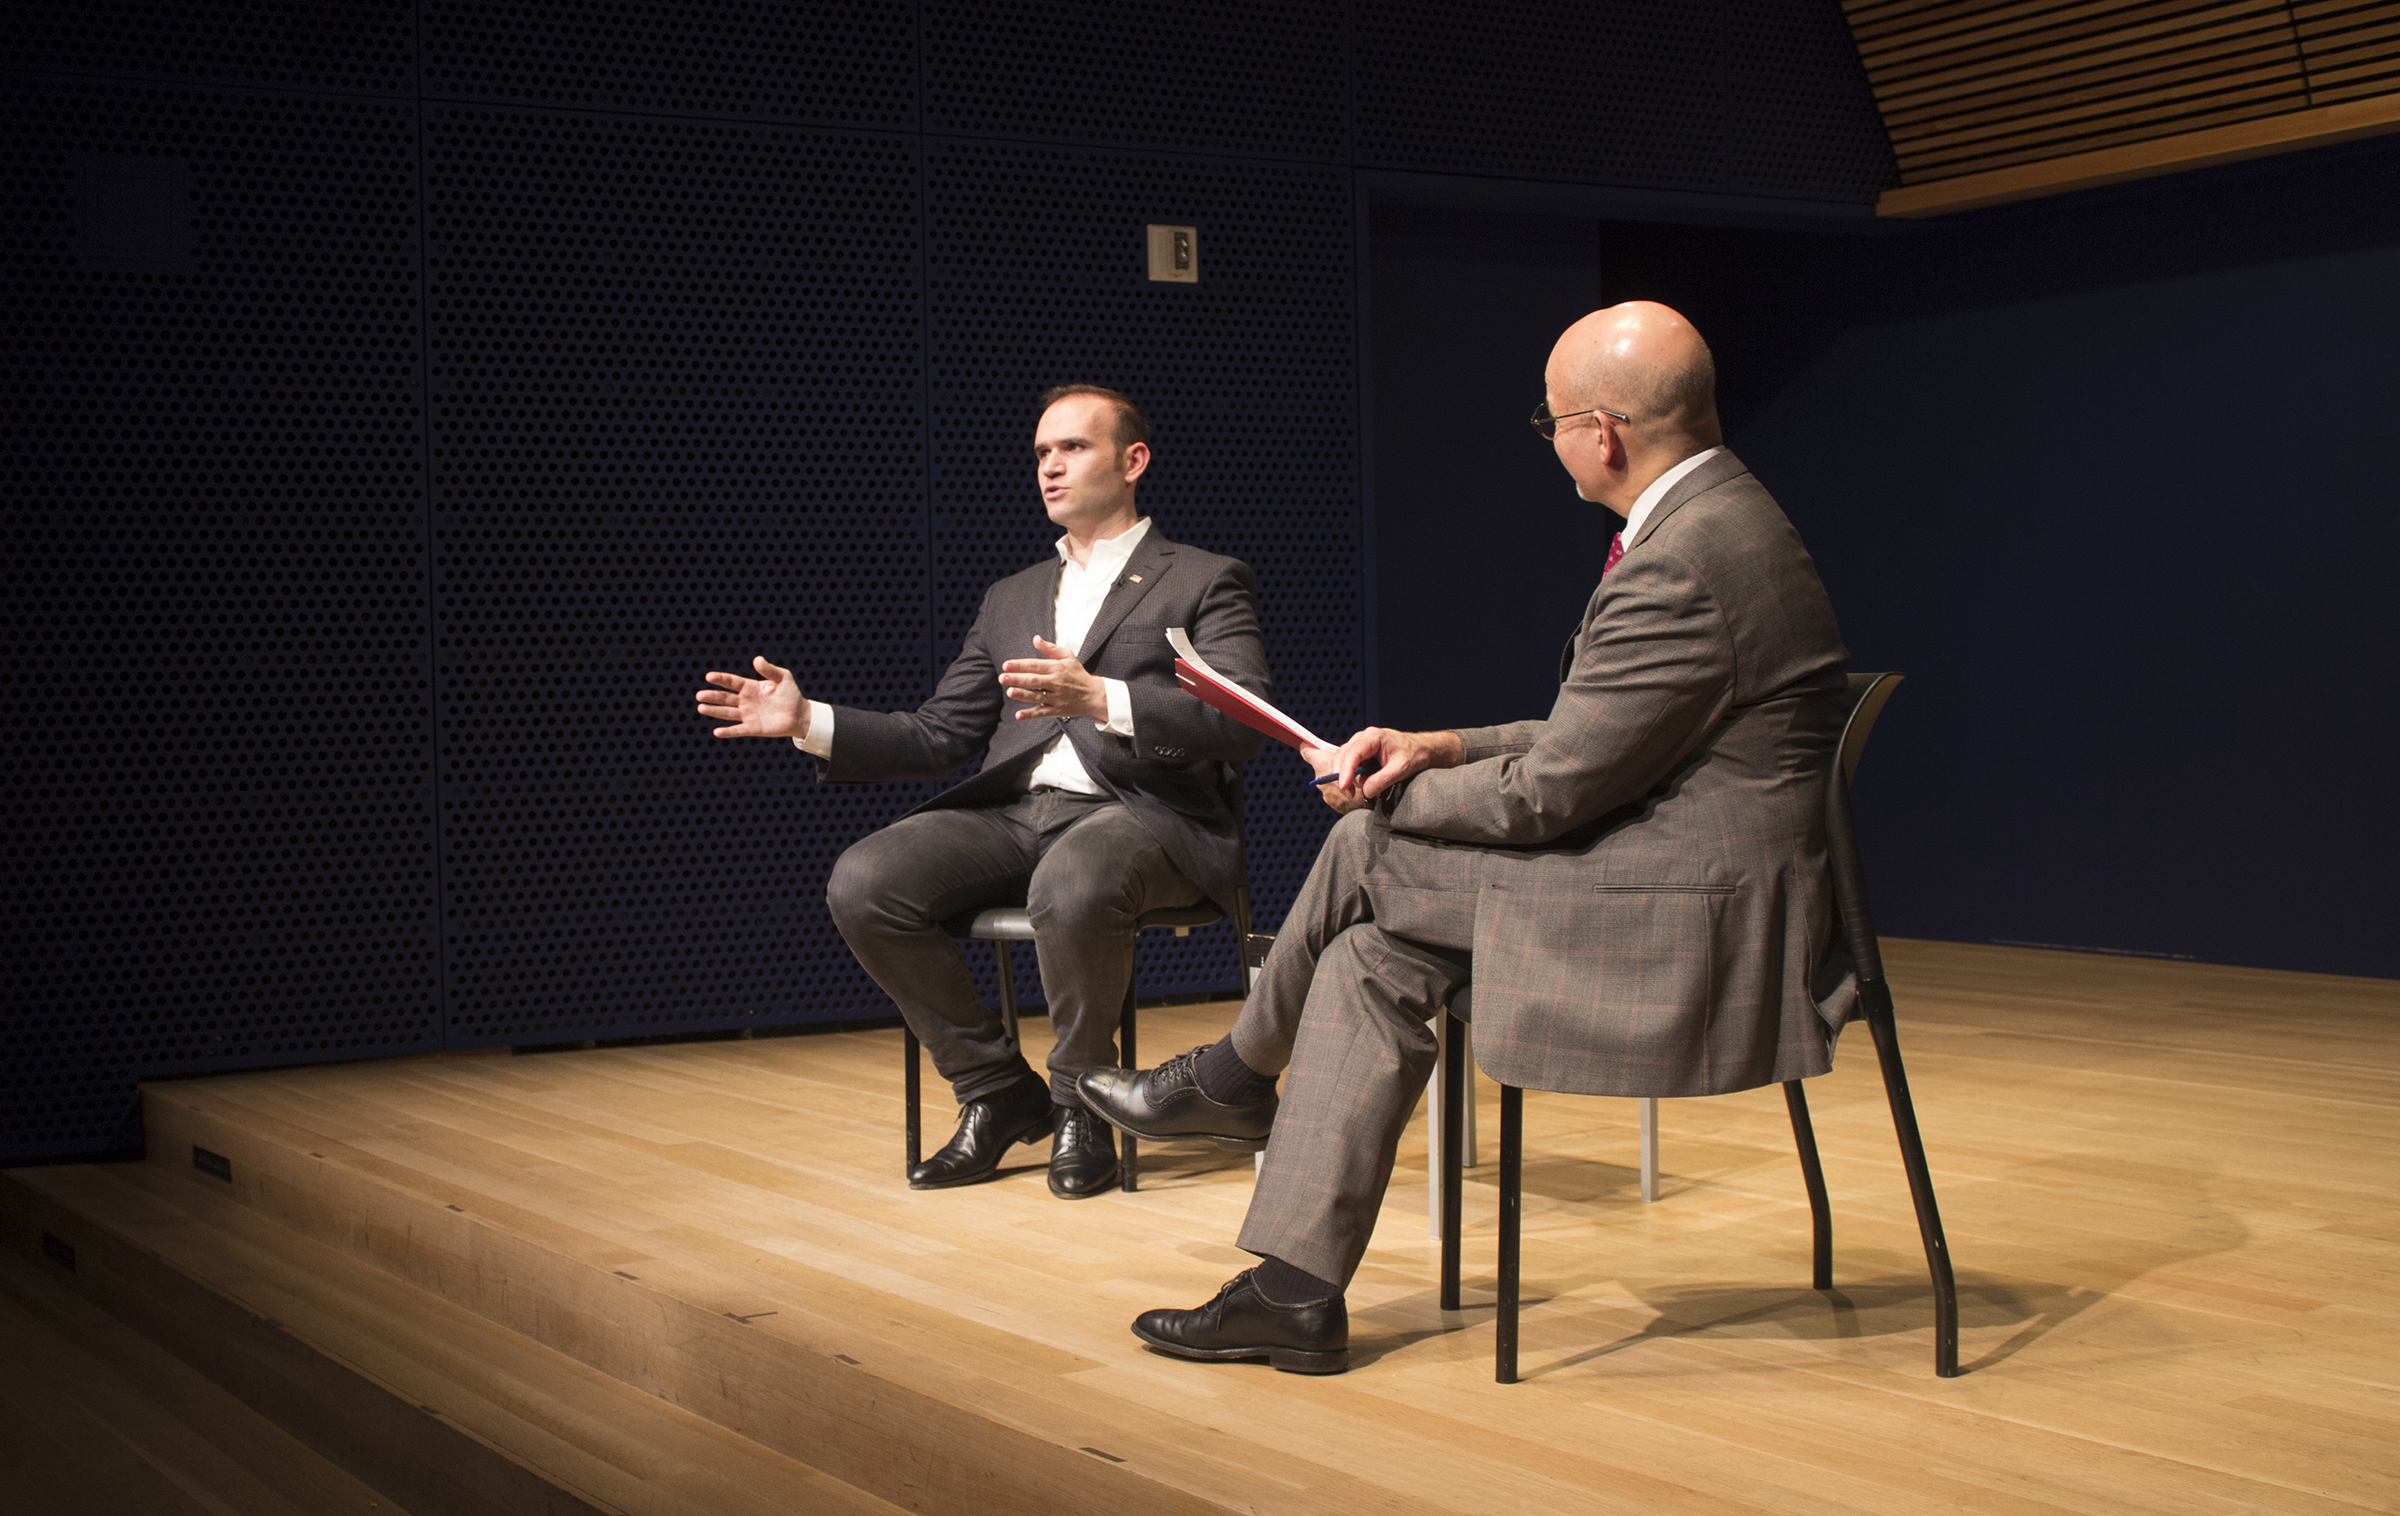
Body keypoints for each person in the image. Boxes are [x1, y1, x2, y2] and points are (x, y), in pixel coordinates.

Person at [1078, 303, 1856, 1372]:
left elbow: (1551, 795)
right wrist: (1439, 747)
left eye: (1550, 422)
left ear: (1605, 431)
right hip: (1686, 874)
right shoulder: (1723, 516)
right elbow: (1605, 733)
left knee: (1364, 853)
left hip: (1707, 932)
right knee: (1367, 956)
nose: (1551, 443)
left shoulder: (1684, 560)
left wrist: (1382, 798)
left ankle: (1231, 1079)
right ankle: (1294, 1291)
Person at [697, 386, 1270, 1199]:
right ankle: (997, 1092)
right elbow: (941, 734)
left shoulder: (1205, 579)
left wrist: (1100, 697)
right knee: (867, 881)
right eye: (1041, 453)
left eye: (1072, 448)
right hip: (1019, 815)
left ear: (1133, 461)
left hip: (1146, 817)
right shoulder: (1012, 596)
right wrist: (809, 719)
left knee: (1074, 879)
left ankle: (1082, 1103)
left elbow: (1243, 720)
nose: (1050, 467)